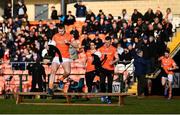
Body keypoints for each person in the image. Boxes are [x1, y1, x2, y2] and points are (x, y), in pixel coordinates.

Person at [47, 24, 78, 95]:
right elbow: (51, 46)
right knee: (53, 71)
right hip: (57, 57)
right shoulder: (55, 36)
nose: (60, 32)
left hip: (65, 57)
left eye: (62, 31)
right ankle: (50, 88)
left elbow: (76, 45)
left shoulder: (69, 36)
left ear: (64, 29)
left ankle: (61, 79)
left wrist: (69, 42)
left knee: (68, 72)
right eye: (59, 31)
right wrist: (48, 47)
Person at [99, 36, 119, 104]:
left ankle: (109, 98)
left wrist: (113, 62)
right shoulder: (101, 49)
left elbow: (117, 58)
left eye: (108, 42)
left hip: (110, 69)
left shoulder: (114, 49)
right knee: (102, 83)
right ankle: (103, 95)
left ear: (111, 42)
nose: (107, 44)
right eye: (106, 42)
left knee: (110, 84)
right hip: (103, 68)